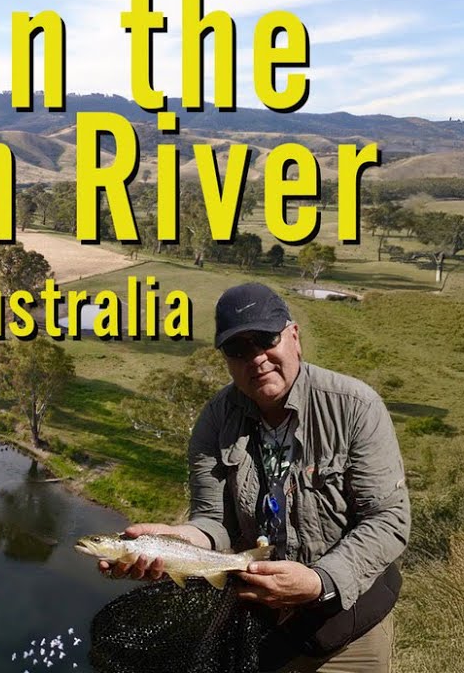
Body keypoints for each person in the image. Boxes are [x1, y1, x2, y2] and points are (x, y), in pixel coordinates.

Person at [99, 282, 410, 673]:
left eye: (265, 339)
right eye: (238, 349)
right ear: (227, 360)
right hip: (257, 622)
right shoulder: (215, 421)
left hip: (346, 622)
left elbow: (388, 520)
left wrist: (319, 581)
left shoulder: (355, 407)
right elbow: (214, 520)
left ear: (293, 336)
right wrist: (179, 543)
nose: (257, 358)